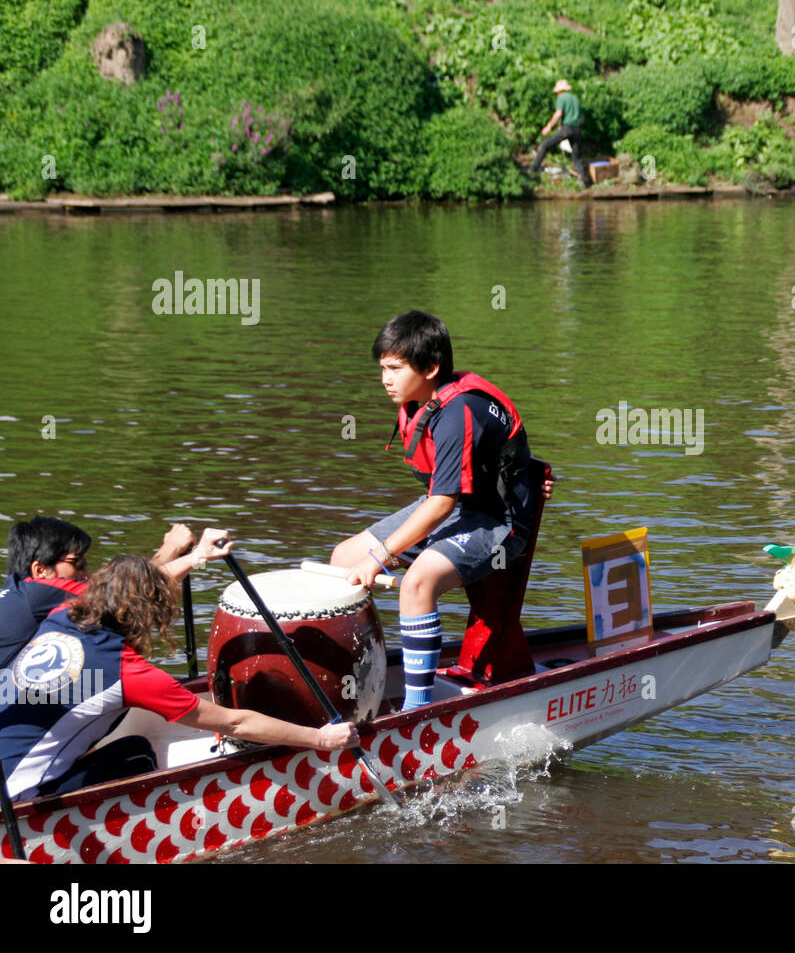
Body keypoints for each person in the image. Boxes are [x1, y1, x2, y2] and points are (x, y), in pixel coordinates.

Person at [0, 555, 358, 802]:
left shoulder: (61, 614)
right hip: (17, 800)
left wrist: (199, 554)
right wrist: (321, 738)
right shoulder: (128, 672)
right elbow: (236, 721)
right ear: (148, 613)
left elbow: (135, 591)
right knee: (137, 753)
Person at [332, 310, 550, 709]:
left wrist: (383, 556)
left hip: (499, 522)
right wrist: (372, 557)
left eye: (395, 368)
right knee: (343, 558)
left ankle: (417, 709)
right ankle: (352, 681)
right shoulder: (422, 400)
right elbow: (442, 497)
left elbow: (442, 501)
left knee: (418, 582)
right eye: (383, 368)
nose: (385, 379)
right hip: (453, 508)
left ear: (430, 368)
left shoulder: (457, 412)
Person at [1, 516, 228, 669]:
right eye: (76, 564)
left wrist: (171, 550)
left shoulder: (20, 592)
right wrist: (200, 556)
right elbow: (130, 593)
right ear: (40, 570)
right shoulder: (41, 594)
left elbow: (125, 585)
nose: (87, 574)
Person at [528, 79, 590, 188]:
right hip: (577, 129)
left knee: (544, 145)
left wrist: (549, 126)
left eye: (557, 92)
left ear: (560, 91)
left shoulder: (562, 98)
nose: (557, 94)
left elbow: (558, 113)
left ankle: (533, 170)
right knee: (576, 157)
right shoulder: (576, 99)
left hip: (567, 128)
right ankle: (583, 180)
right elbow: (582, 118)